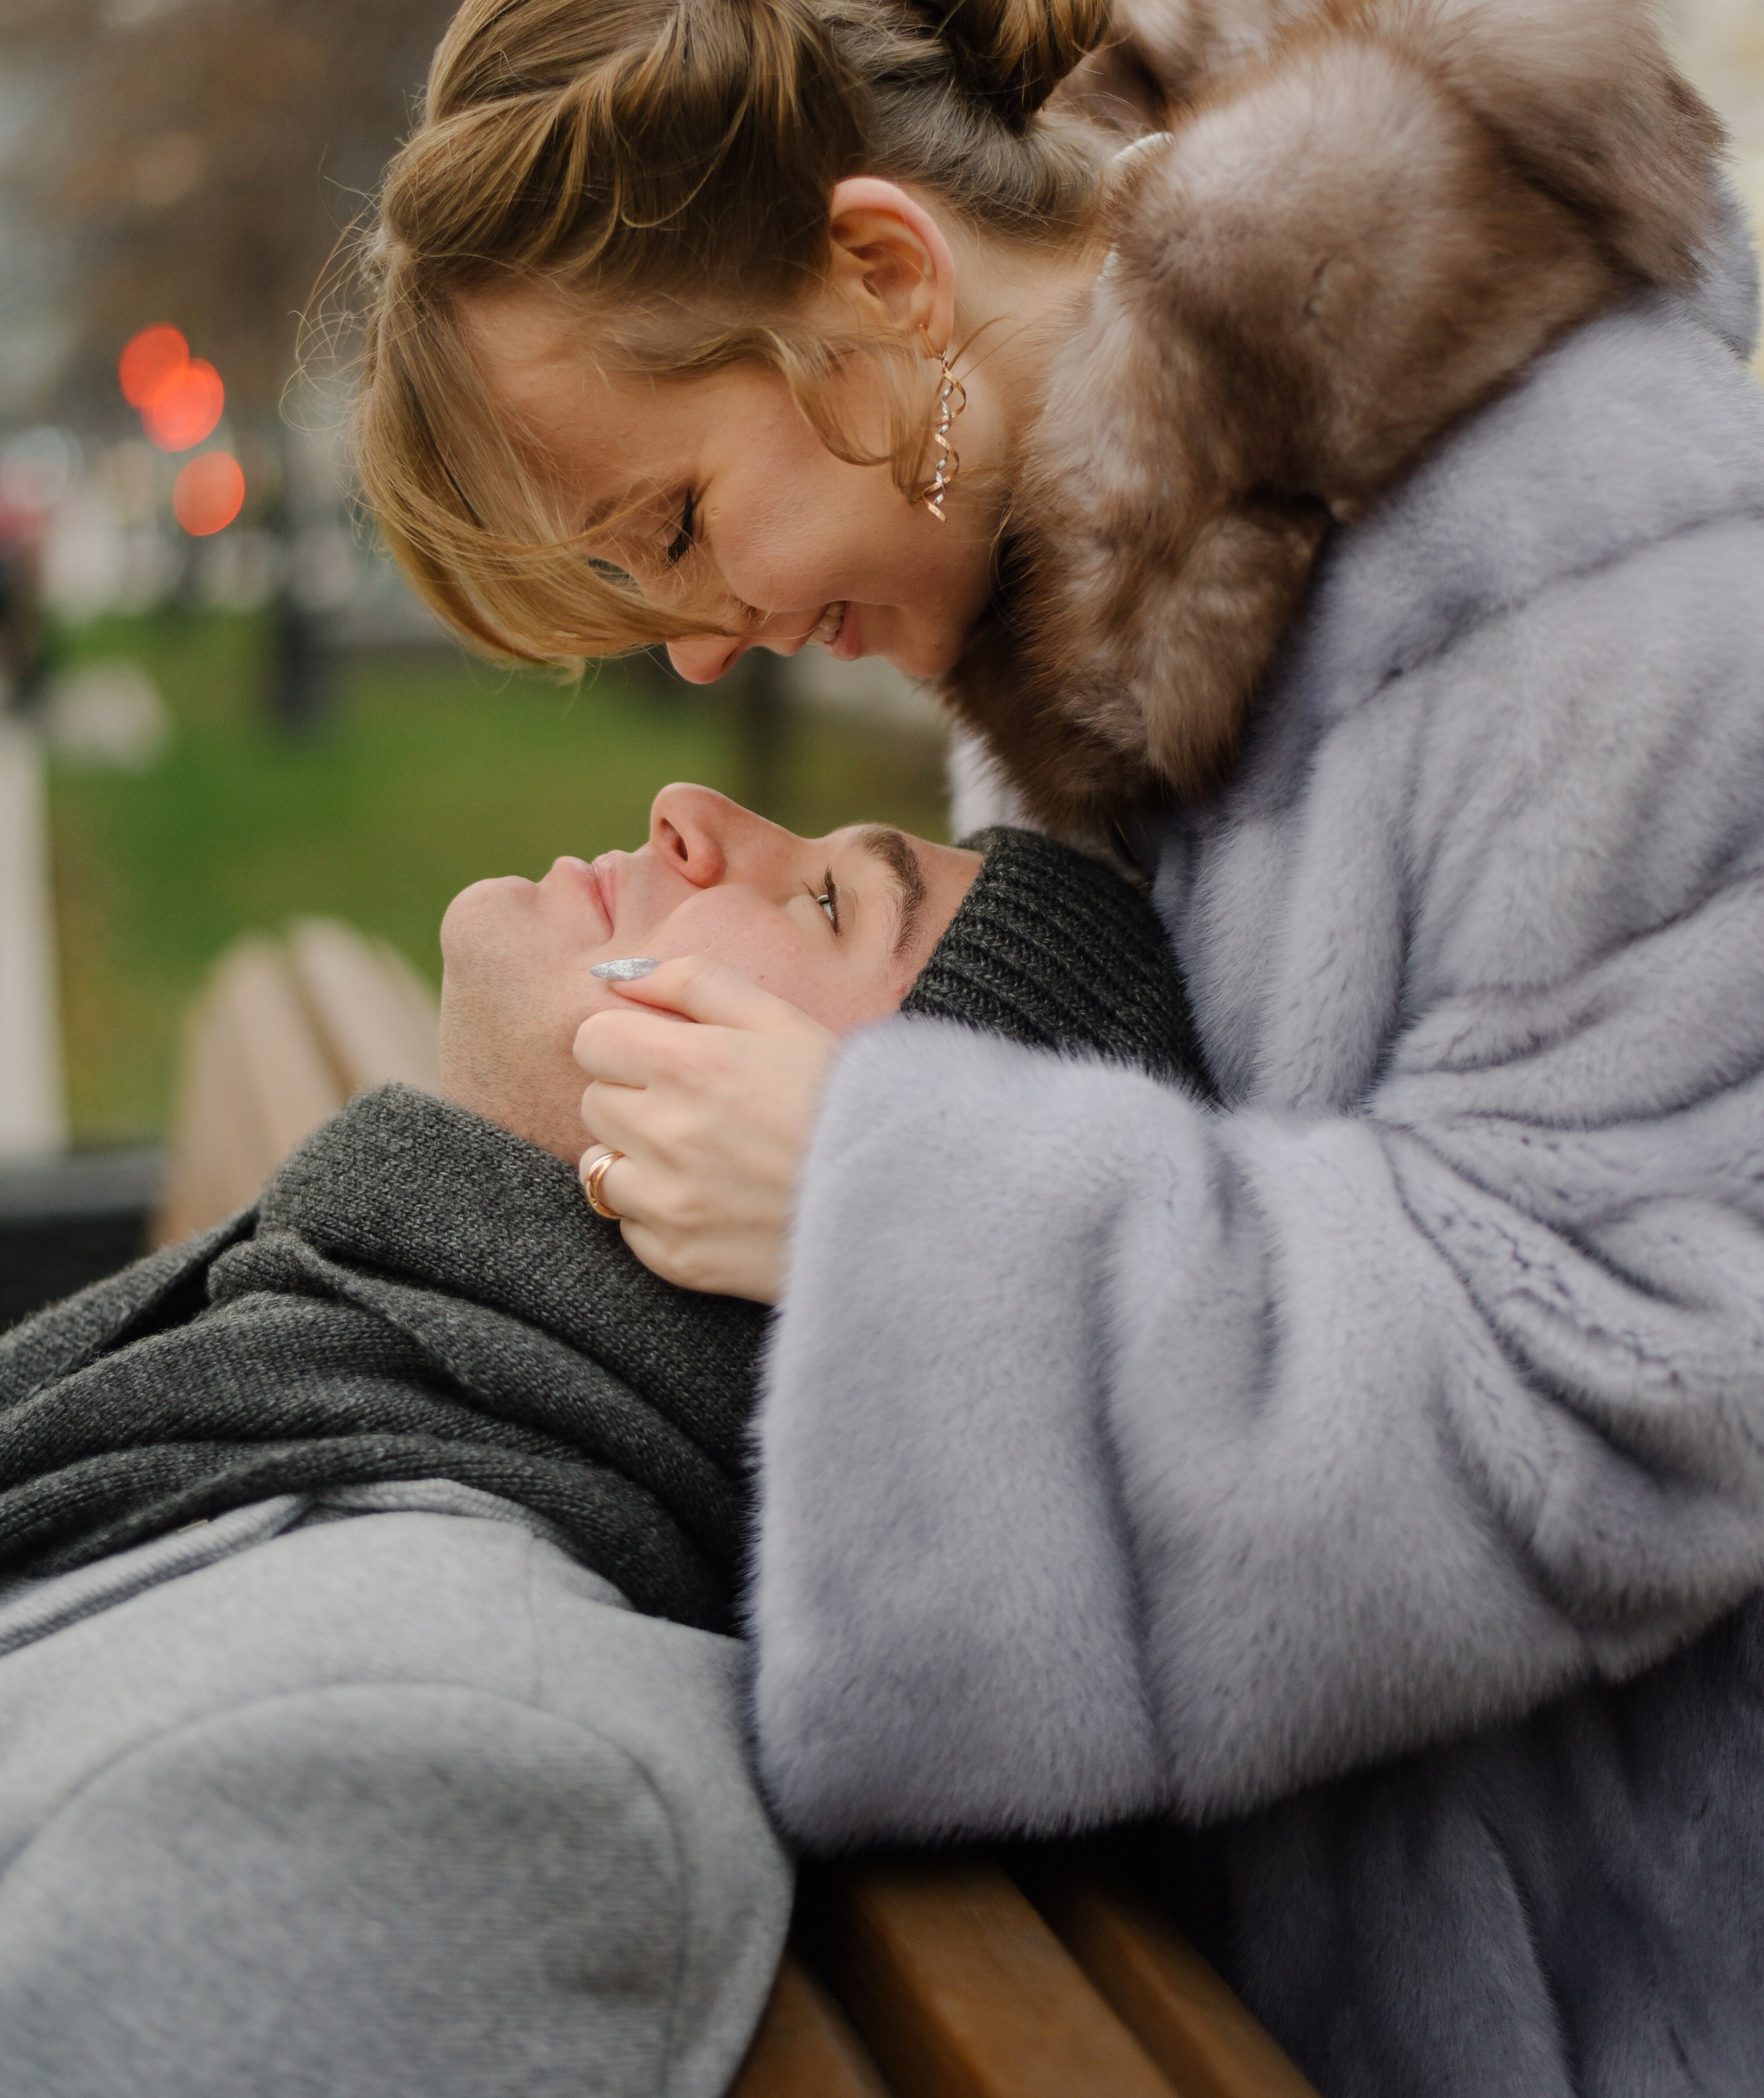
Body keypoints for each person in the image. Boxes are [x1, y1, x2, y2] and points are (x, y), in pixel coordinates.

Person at [356, 0, 1764, 2097]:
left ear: (885, 275)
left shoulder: (1574, 544)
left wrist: (877, 1199)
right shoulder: (1101, 609)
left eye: (678, 521)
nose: (700, 638)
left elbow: (1652, 1377)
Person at [0, 789, 1207, 2098]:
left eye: (829, 905)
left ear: (845, 1209)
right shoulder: (338, 1383)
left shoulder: (468, 1770)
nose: (692, 810)